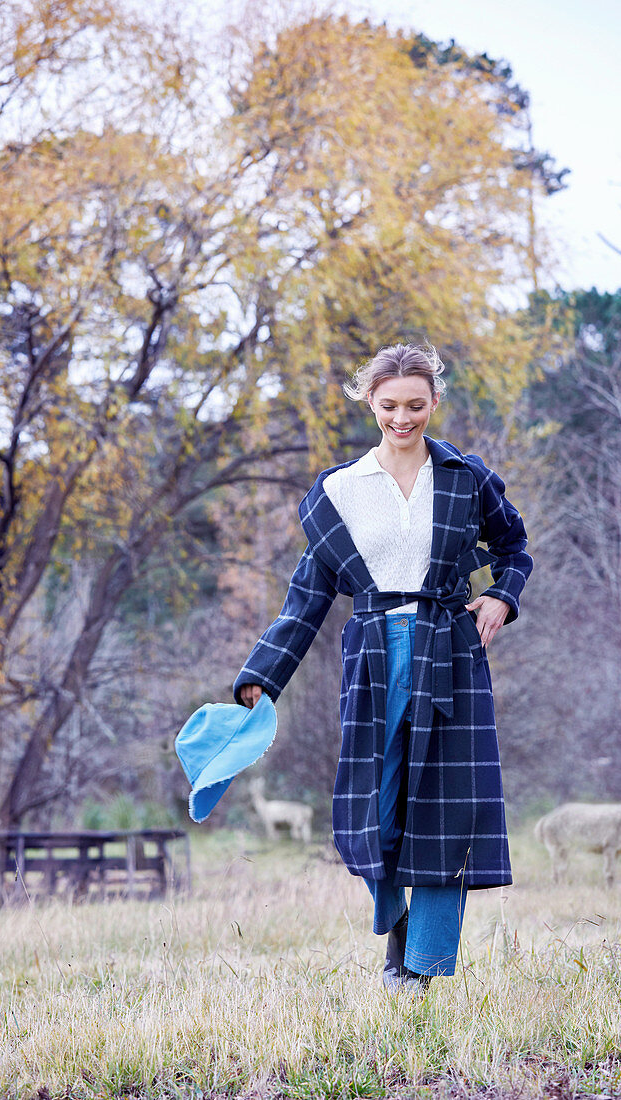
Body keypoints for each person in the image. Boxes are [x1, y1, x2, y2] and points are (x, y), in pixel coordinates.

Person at [234, 343, 532, 993]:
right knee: (377, 810)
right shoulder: (338, 491)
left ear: (434, 403)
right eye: (390, 405)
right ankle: (393, 933)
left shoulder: (463, 477)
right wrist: (263, 675)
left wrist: (502, 596)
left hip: (448, 652)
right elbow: (307, 595)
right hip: (371, 655)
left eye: (416, 406)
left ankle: (414, 971)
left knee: (442, 813)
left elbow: (512, 546)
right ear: (368, 400)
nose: (403, 418)